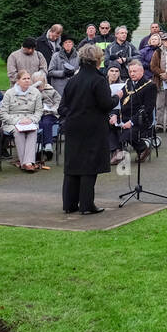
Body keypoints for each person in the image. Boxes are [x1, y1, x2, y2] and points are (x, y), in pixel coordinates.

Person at [61, 43, 113, 215]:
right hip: (93, 127)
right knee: (89, 166)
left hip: (73, 126)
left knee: (73, 164)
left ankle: (69, 204)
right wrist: (117, 98)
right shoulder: (98, 80)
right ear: (98, 60)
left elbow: (63, 107)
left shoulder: (72, 81)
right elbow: (105, 104)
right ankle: (86, 205)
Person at [0, 68, 44, 172]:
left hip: (30, 121)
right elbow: (3, 113)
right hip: (13, 121)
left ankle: (26, 163)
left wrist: (31, 120)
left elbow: (39, 111)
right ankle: (27, 163)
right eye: (24, 79)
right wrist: (18, 121)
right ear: (18, 81)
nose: (27, 80)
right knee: (18, 132)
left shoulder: (36, 92)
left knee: (33, 131)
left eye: (28, 78)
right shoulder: (9, 93)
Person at [116, 60, 157, 162]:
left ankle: (140, 149)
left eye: (134, 71)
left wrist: (131, 122)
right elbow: (121, 102)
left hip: (141, 119)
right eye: (130, 72)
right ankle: (116, 150)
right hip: (125, 116)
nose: (132, 74)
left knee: (128, 132)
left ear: (142, 71)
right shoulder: (128, 83)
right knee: (109, 125)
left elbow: (148, 109)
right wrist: (114, 116)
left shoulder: (150, 86)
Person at [31, 70, 62, 162]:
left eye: (41, 83)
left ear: (45, 82)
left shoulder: (52, 91)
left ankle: (48, 145)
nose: (39, 86)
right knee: (39, 123)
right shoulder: (31, 92)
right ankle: (38, 145)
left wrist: (52, 109)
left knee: (47, 122)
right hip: (37, 114)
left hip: (49, 113)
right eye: (37, 83)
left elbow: (59, 102)